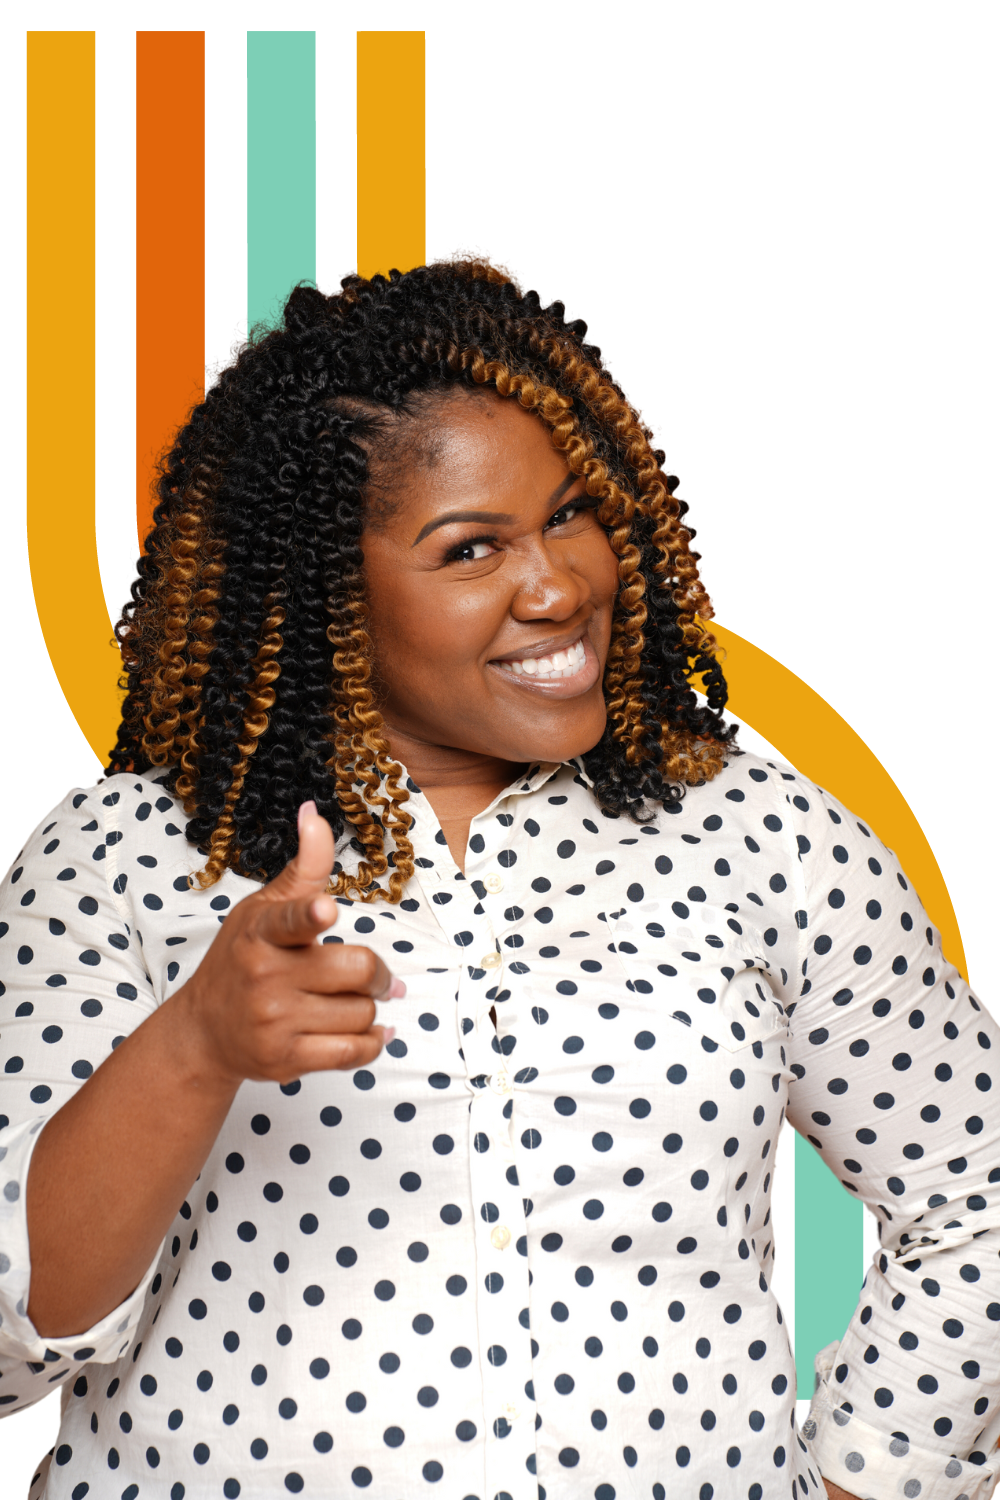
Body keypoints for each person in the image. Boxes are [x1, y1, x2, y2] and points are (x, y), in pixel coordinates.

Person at [1, 250, 997, 1500]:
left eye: (572, 513)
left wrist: (868, 1476)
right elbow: (15, 1348)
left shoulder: (758, 833)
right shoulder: (119, 859)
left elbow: (979, 1186)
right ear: (326, 593)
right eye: (472, 549)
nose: (559, 586)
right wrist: (195, 1046)